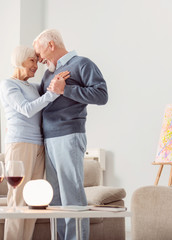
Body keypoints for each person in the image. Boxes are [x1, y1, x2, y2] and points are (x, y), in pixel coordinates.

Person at [33, 29, 108, 240]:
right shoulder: (48, 73)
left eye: (39, 53)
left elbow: (102, 95)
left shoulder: (82, 64)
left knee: (71, 196)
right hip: (48, 138)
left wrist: (66, 90)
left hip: (68, 135)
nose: (38, 59)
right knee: (55, 197)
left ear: (51, 45)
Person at [0, 45, 70, 240]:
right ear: (20, 60)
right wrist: (52, 93)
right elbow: (27, 109)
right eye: (32, 61)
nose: (35, 66)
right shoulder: (8, 84)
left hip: (39, 145)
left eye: (37, 62)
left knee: (33, 199)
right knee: (17, 198)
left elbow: (44, 102)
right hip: (20, 143)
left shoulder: (33, 86)